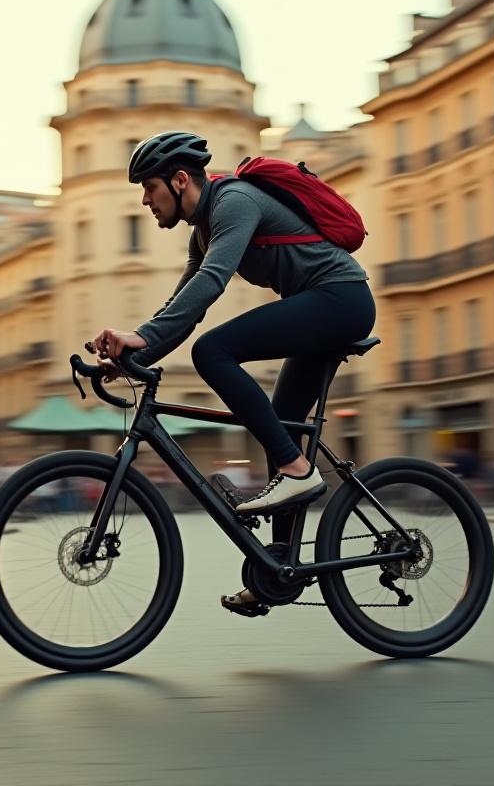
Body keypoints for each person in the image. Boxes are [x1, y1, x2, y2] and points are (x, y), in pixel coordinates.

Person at [90, 131, 375, 616]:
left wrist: (142, 337)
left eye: (149, 188)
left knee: (214, 352)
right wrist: (134, 353)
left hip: (341, 300)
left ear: (181, 180)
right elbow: (184, 305)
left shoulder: (234, 202)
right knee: (281, 425)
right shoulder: (202, 232)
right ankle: (279, 567)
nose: (144, 200)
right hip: (321, 306)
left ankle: (297, 471)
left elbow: (211, 281)